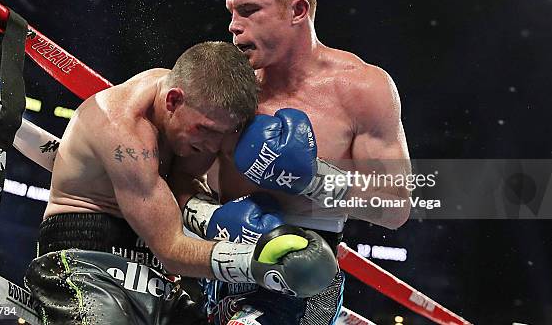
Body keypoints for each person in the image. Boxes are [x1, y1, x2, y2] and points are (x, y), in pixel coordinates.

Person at [23, 41, 339, 325]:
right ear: (173, 100)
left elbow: (182, 183)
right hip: (84, 261)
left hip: (157, 274)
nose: (214, 146)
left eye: (223, 134)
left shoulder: (195, 106)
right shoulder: (122, 128)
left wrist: (208, 214)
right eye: (207, 130)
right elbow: (172, 248)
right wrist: (257, 264)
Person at [177, 0, 412, 325]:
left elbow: (396, 207)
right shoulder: (229, 91)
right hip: (218, 263)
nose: (233, 26)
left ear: (298, 11)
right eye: (232, 13)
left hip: (305, 276)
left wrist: (313, 180)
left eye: (249, 11)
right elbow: (175, 176)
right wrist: (208, 215)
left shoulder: (362, 89)